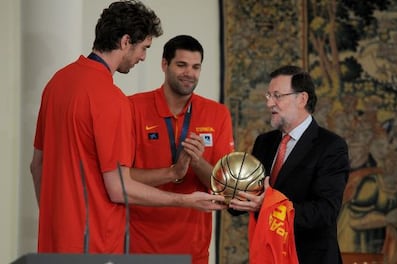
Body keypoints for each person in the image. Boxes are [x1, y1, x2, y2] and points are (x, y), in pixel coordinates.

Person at [30, 1, 226, 254]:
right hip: (95, 245)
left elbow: (37, 166)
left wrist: (54, 220)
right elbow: (119, 188)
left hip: (53, 241)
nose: (143, 57)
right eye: (143, 48)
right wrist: (185, 200)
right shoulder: (112, 99)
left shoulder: (57, 83)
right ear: (125, 42)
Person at [128, 35, 235, 264]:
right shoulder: (132, 108)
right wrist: (173, 171)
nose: (190, 73)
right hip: (138, 247)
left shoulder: (217, 114)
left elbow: (225, 191)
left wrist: (197, 162)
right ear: (164, 64)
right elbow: (121, 177)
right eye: (181, 65)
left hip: (193, 251)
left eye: (196, 67)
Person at [229, 65, 350, 263]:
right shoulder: (264, 142)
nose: (269, 103)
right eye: (268, 95)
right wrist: (227, 189)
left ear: (302, 99)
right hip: (268, 255)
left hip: (309, 257)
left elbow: (325, 212)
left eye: (277, 95)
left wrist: (269, 206)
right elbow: (243, 202)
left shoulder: (331, 146)